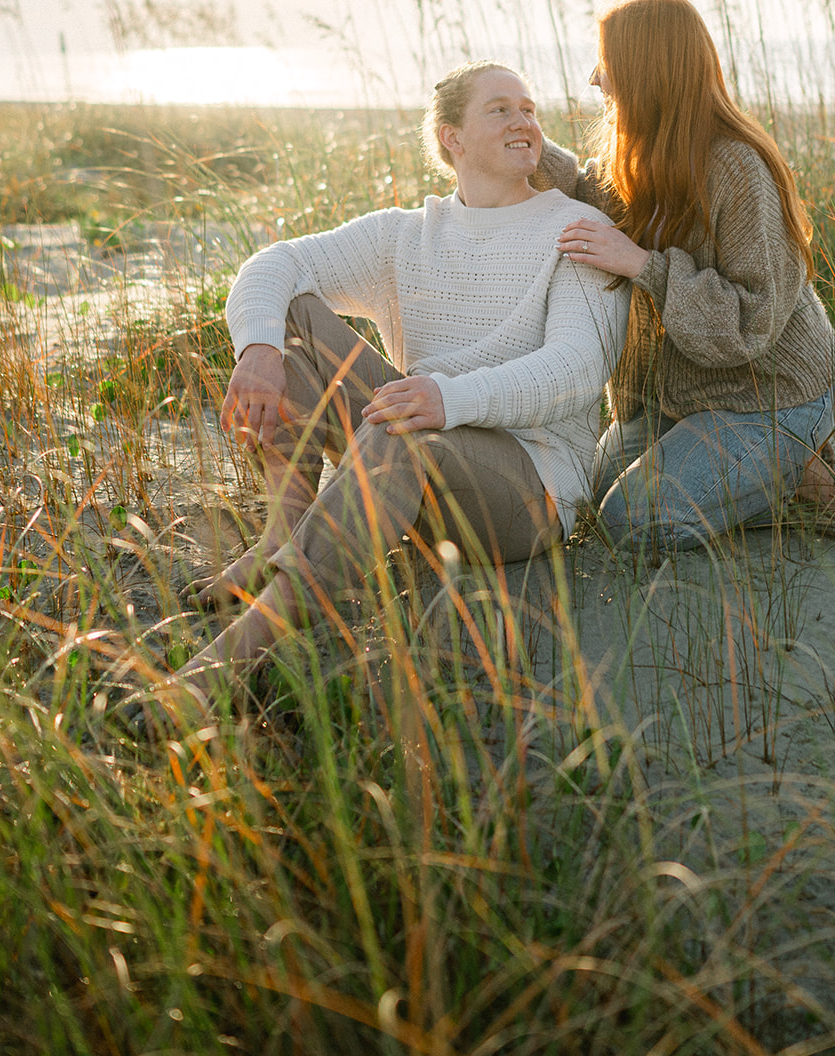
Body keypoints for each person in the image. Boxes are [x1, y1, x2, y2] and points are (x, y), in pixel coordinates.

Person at [143, 60, 628, 713]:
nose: (524, 120)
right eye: (500, 109)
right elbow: (276, 262)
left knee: (410, 426)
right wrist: (256, 348)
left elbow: (576, 367)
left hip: (527, 494)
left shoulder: (573, 228)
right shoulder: (406, 234)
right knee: (292, 313)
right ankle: (282, 537)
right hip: (412, 451)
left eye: (530, 108)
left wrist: (447, 399)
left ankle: (223, 665)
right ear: (451, 138)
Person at [535, 0, 835, 550]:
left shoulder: (737, 168)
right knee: (584, 497)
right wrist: (525, 143)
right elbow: (585, 193)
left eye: (606, 63)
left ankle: (792, 473)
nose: (593, 78)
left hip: (770, 394)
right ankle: (751, 479)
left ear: (647, 71)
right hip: (680, 398)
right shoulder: (633, 155)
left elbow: (751, 320)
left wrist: (645, 267)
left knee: (631, 520)